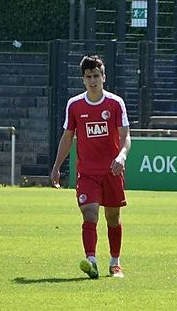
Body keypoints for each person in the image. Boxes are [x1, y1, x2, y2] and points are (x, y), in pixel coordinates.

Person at [50, 54, 131, 279]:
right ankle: (92, 261)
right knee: (89, 214)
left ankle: (115, 263)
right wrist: (57, 166)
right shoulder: (75, 105)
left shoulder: (115, 103)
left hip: (112, 170)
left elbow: (125, 137)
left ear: (104, 77)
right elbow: (68, 137)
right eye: (88, 77)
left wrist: (122, 156)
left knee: (112, 217)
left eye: (96, 76)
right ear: (83, 80)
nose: (93, 80)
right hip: (87, 173)